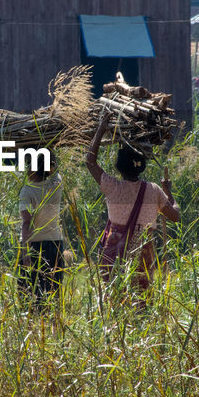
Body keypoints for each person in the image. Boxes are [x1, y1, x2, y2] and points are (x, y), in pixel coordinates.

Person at [84, 113, 180, 294]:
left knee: (115, 299)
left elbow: (90, 161)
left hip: (115, 253)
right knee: (141, 302)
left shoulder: (112, 187)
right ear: (141, 165)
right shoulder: (154, 191)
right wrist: (169, 192)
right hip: (143, 254)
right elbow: (175, 216)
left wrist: (101, 128)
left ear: (119, 166)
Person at [18, 151, 65, 312]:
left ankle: (33, 332)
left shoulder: (27, 191)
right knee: (52, 295)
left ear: (31, 168)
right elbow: (55, 165)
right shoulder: (56, 183)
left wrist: (25, 253)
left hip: (34, 247)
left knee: (30, 297)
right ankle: (52, 333)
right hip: (55, 245)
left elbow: (26, 223)